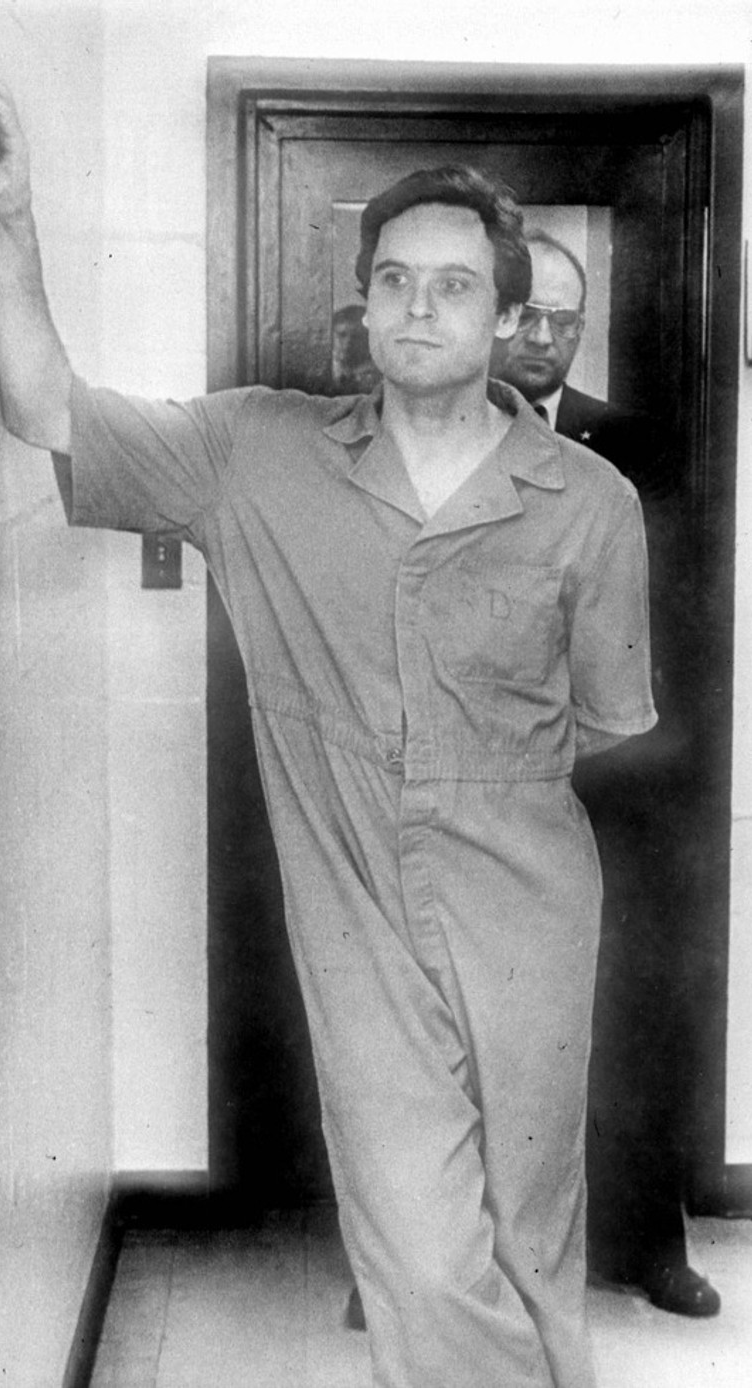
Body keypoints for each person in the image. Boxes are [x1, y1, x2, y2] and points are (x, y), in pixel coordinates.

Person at [0, 56, 658, 1388]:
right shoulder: (258, 452)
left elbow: (606, 717)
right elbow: (45, 407)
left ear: (508, 318)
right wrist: (12, 222)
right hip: (353, 894)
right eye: (393, 280)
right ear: (363, 303)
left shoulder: (588, 504)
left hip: (529, 901)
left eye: (452, 285)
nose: (417, 307)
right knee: (420, 1244)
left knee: (531, 1229)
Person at [491, 230, 721, 1318]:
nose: (545, 338)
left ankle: (644, 1245)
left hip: (611, 782)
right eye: (527, 314)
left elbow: (668, 613)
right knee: (465, 1018)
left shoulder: (636, 445)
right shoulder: (429, 438)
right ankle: (447, 1259)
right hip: (476, 779)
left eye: (565, 319)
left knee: (631, 1004)